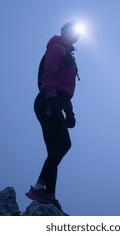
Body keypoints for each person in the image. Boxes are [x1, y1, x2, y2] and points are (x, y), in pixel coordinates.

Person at [26, 20, 83, 212]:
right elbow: (48, 76)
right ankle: (39, 188)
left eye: (79, 33)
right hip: (47, 101)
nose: (76, 35)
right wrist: (52, 102)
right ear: (64, 31)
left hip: (54, 102)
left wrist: (70, 112)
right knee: (64, 145)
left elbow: (64, 88)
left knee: (54, 151)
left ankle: (49, 195)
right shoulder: (57, 49)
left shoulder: (67, 54)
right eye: (73, 31)